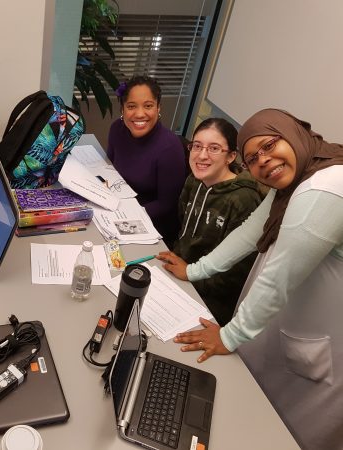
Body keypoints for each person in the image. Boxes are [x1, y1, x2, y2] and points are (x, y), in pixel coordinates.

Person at [157, 109, 343, 450]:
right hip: (291, 317)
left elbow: (277, 279)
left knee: (291, 431)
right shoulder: (302, 174)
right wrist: (195, 270)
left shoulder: (325, 188)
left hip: (329, 332)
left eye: (271, 145)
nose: (264, 161)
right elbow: (250, 232)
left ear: (293, 134)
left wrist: (230, 335)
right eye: (253, 157)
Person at [170, 118, 263, 325]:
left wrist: (189, 274)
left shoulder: (244, 200)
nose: (202, 155)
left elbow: (236, 274)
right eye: (197, 146)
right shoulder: (195, 180)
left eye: (214, 148)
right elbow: (182, 228)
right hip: (181, 276)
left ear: (231, 156)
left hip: (211, 300)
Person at [107, 75, 186, 246]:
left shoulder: (169, 147)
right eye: (131, 106)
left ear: (158, 108)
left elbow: (166, 204)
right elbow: (110, 172)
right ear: (122, 109)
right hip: (118, 209)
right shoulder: (116, 130)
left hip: (152, 225)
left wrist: (125, 214)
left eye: (148, 106)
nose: (140, 114)